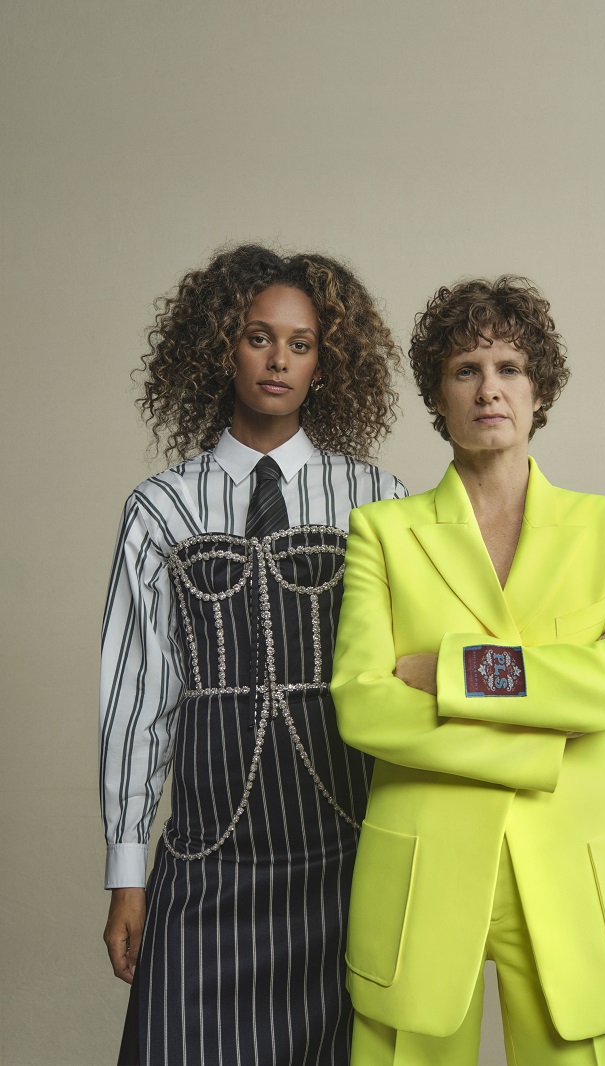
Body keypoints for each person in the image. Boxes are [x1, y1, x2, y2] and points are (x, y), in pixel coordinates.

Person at [331, 276, 605, 1065]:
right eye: (466, 370)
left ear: (538, 389)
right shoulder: (382, 533)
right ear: (438, 397)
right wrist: (552, 720)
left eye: (509, 368)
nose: (489, 389)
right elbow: (363, 704)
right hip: (422, 881)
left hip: (572, 886)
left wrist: (455, 671)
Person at [99, 244, 406, 1066]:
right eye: (258, 337)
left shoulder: (377, 500)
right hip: (207, 860)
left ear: (324, 363)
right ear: (220, 346)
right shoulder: (160, 508)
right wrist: (127, 873)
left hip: (344, 857)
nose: (278, 361)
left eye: (301, 344)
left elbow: (428, 655)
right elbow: (136, 699)